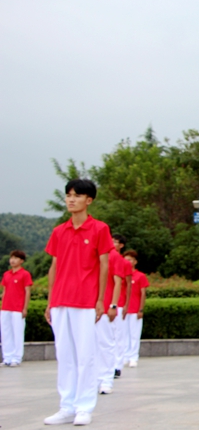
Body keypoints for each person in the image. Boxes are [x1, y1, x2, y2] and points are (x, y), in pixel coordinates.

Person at [44, 179, 114, 426]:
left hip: (85, 301)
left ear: (89, 200)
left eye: (77, 195)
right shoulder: (59, 231)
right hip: (61, 300)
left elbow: (104, 265)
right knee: (65, 355)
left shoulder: (99, 229)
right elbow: (53, 266)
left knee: (85, 355)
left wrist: (99, 300)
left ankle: (84, 407)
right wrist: (50, 301)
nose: (71, 199)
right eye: (68, 195)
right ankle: (67, 406)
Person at [95, 238, 126, 395]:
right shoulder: (94, 254)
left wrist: (113, 305)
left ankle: (106, 380)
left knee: (105, 343)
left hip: (106, 305)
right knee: (92, 344)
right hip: (89, 306)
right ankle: (95, 379)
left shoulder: (114, 257)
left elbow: (118, 282)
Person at [1, 250, 32, 366]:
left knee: (17, 333)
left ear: (21, 261)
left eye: (16, 258)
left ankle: (17, 358)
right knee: (6, 333)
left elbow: (27, 291)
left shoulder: (25, 274)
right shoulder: (6, 274)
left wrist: (25, 308)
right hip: (5, 308)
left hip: (18, 308)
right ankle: (7, 357)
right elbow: (4, 291)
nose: (12, 260)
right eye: (11, 258)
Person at [122, 251, 149, 368]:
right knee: (123, 335)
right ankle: (124, 356)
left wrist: (141, 309)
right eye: (126, 259)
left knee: (134, 335)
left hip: (135, 310)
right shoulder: (122, 275)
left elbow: (143, 294)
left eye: (130, 260)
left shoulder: (140, 276)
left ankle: (133, 357)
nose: (128, 262)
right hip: (123, 310)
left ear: (135, 262)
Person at [111, 234, 132, 378]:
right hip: (105, 303)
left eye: (115, 242)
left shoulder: (124, 263)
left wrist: (126, 304)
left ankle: (117, 365)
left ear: (121, 245)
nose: (112, 243)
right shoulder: (104, 258)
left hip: (118, 303)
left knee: (118, 335)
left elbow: (128, 284)